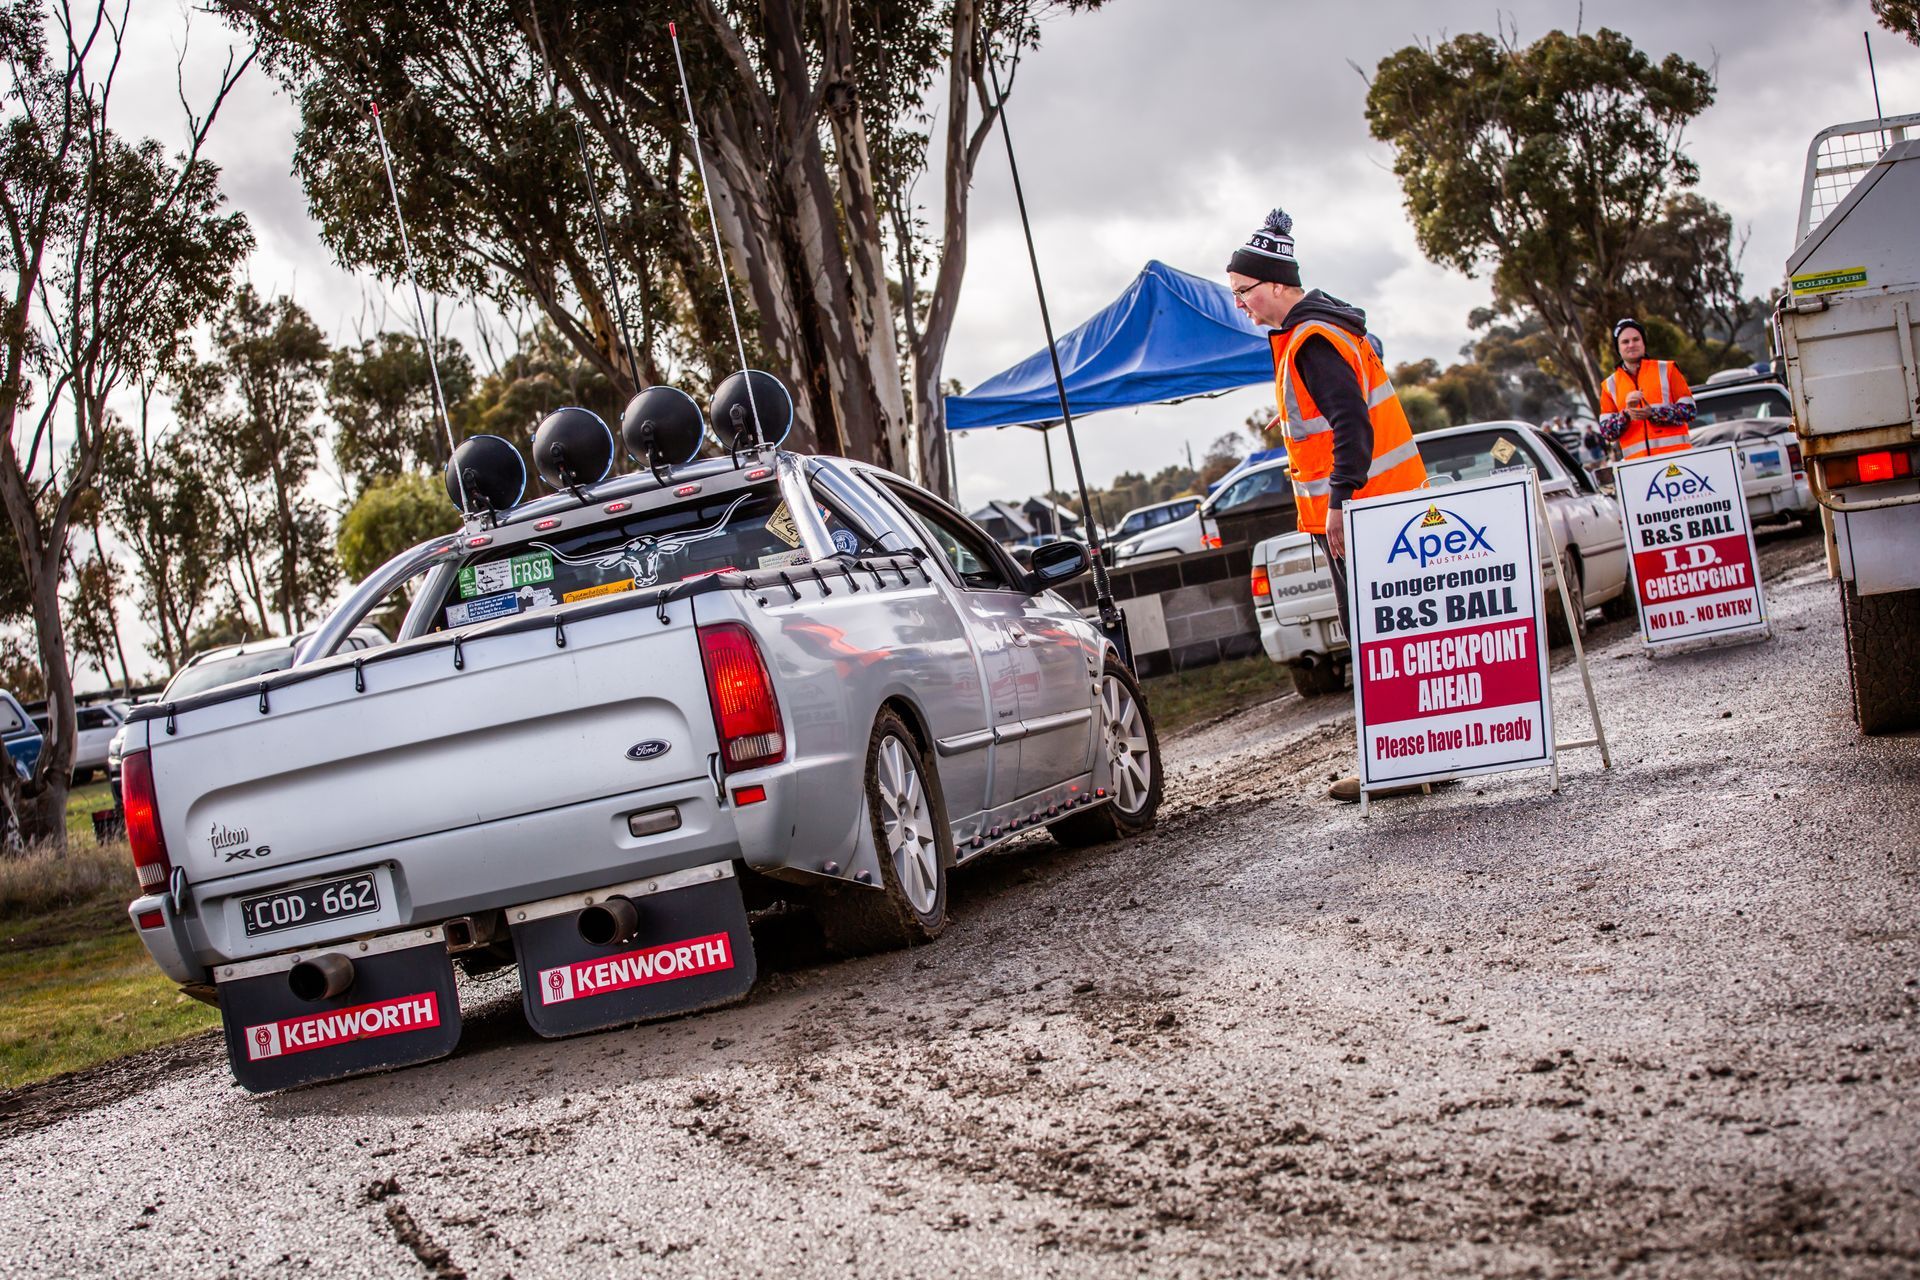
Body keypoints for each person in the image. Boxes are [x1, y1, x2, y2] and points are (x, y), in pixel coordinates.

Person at [1227, 207, 1429, 803]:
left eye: (1244, 292)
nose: (1241, 305)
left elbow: (1351, 423)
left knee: (1372, 639)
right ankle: (1422, 755)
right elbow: (1336, 414)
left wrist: (1339, 503)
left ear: (1276, 284)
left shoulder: (1312, 340)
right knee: (1393, 635)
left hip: (1362, 514)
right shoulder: (1325, 330)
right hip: (1385, 508)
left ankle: (1396, 764)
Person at [1598, 319, 1695, 459]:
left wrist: (1653, 413)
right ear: (1618, 348)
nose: (1631, 345)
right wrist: (1626, 415)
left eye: (1636, 339)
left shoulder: (1667, 369)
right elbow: (1606, 432)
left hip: (1678, 460)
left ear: (1643, 343)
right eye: (1625, 342)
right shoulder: (1609, 385)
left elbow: (1689, 411)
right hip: (1639, 468)